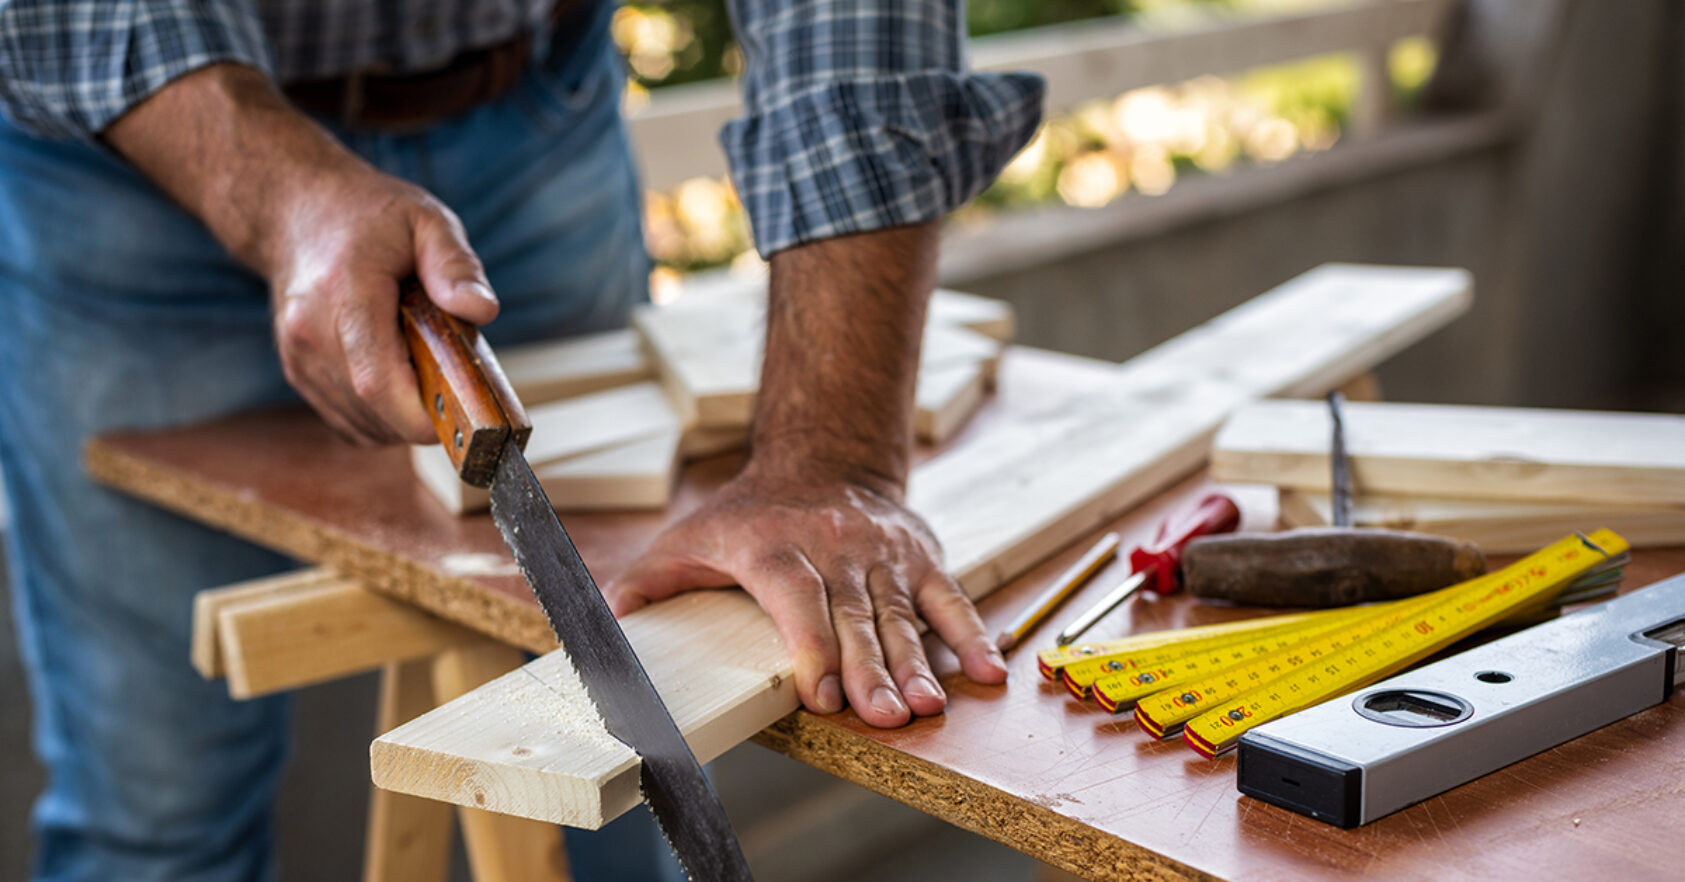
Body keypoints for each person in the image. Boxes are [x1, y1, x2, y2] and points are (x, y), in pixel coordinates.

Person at [0, 0, 1042, 877]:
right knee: (157, 811)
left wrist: (835, 462)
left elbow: (850, 27)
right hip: (120, 158)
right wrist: (277, 192)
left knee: (618, 784)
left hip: (535, 106)